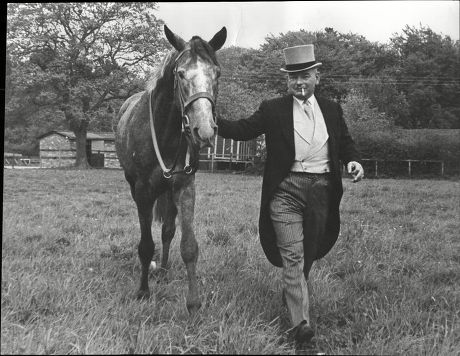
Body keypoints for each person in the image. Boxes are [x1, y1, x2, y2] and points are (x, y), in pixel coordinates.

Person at [217, 44, 364, 346]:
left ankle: (293, 293)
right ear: (286, 80)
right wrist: (210, 119)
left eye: (305, 76)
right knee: (293, 257)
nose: (299, 82)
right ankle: (301, 327)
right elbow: (244, 129)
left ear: (316, 77)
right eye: (293, 77)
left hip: (322, 191)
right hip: (285, 191)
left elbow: (345, 142)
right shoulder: (273, 109)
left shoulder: (333, 109)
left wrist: (354, 160)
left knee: (309, 253)